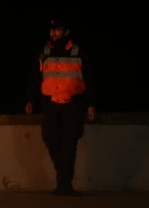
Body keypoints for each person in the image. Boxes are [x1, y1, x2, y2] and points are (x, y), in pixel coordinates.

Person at [25, 18, 96, 196]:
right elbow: (35, 78)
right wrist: (30, 99)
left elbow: (90, 80)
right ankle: (64, 180)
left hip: (73, 104)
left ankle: (64, 186)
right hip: (49, 104)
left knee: (69, 144)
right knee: (50, 138)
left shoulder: (78, 52)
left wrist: (91, 104)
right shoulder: (44, 52)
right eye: (51, 31)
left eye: (57, 30)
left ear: (66, 32)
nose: (53, 33)